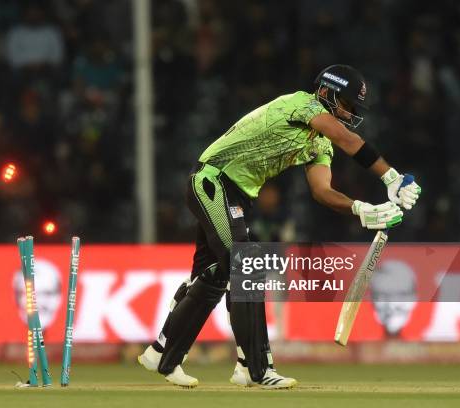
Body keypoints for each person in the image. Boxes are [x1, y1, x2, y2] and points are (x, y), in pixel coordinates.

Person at [137, 65, 422, 389]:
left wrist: (361, 209)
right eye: (347, 104)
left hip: (239, 196)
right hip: (213, 180)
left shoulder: (320, 143)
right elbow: (349, 139)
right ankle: (255, 368)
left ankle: (162, 353)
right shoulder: (302, 105)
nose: (350, 113)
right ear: (327, 93)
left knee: (216, 276)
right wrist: (391, 177)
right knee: (247, 268)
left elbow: (322, 191)